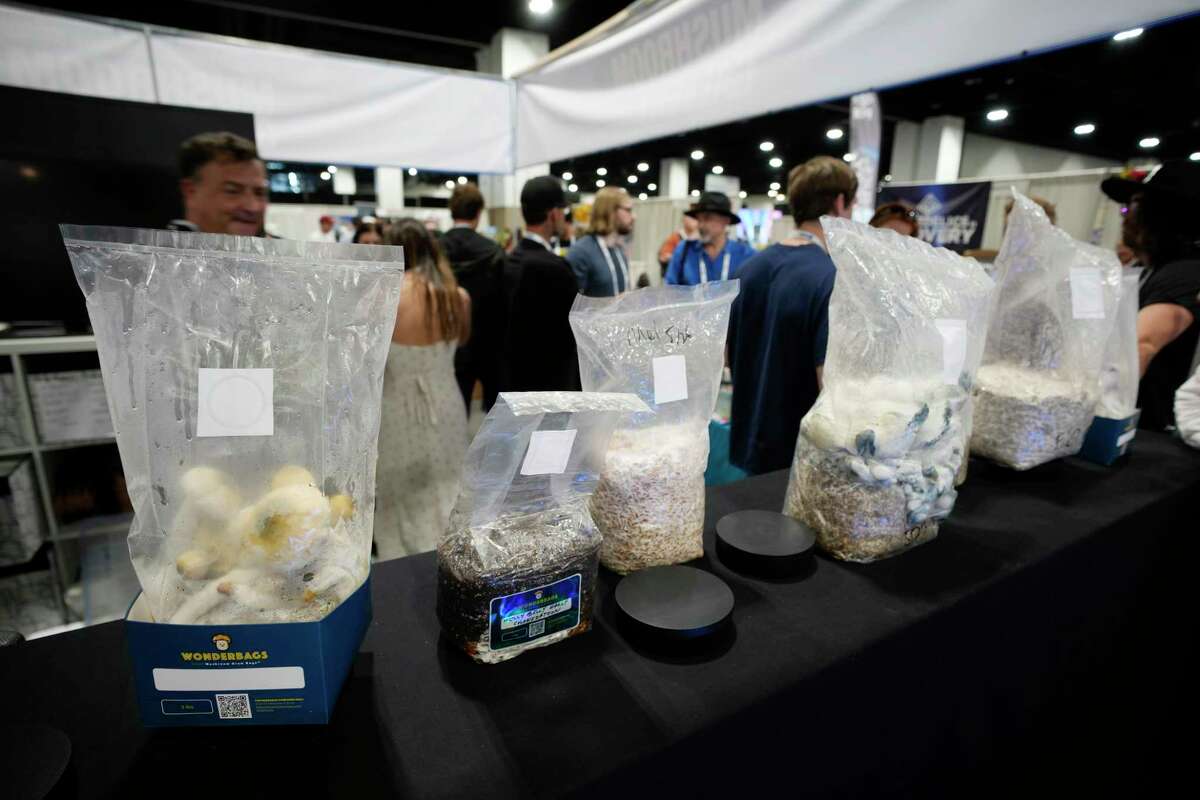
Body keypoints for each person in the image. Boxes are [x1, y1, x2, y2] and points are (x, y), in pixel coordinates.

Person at [727, 155, 857, 474]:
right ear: (840, 204)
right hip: (798, 464)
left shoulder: (747, 269)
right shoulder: (831, 278)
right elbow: (831, 387)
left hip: (749, 454)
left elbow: (728, 358)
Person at [374, 219, 471, 559]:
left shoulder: (384, 296)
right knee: (448, 484)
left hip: (397, 405)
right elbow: (462, 341)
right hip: (447, 403)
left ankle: (402, 571)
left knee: (398, 494)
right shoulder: (457, 297)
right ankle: (451, 559)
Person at [1101, 160, 1200, 430]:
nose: (1124, 216)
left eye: (1132, 206)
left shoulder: (1184, 273)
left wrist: (1089, 411)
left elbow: (1139, 347)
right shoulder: (1155, 270)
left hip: (1153, 436)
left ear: (1159, 215)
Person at [503, 176, 580, 392]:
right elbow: (573, 335)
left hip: (513, 386)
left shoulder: (507, 262)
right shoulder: (556, 268)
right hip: (552, 388)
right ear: (553, 214)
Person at [441, 182, 507, 412]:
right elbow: (503, 300)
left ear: (452, 211)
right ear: (479, 212)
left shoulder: (437, 251)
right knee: (495, 417)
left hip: (448, 343)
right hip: (490, 342)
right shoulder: (493, 251)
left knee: (455, 415)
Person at [168, 131, 267, 236]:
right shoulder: (154, 249)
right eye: (232, 191)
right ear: (190, 191)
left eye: (259, 193)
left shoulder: (283, 250)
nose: (252, 207)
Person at [665, 192, 755, 285]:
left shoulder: (746, 255)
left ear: (726, 220)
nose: (701, 225)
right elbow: (671, 289)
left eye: (707, 218)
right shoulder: (684, 250)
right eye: (699, 219)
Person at [567, 186, 635, 297]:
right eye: (628, 210)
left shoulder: (618, 249)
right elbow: (571, 306)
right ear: (610, 211)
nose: (633, 217)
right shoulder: (581, 253)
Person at [658, 210, 700, 274]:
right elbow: (663, 257)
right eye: (691, 219)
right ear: (684, 221)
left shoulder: (702, 238)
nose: (693, 222)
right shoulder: (676, 237)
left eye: (695, 219)